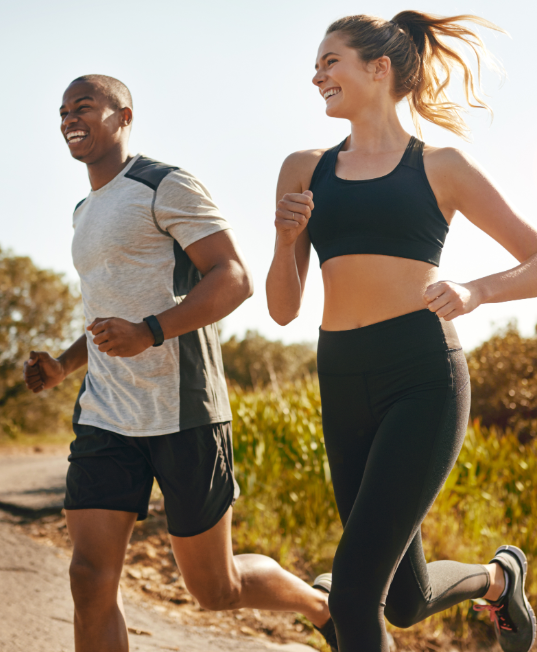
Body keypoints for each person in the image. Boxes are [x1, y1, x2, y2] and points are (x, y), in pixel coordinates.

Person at [266, 11, 537, 652]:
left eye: (331, 61)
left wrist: (476, 290)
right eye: (317, 64)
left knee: (350, 592)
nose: (317, 74)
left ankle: (491, 580)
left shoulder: (441, 167)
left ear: (378, 69)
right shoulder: (304, 168)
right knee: (403, 600)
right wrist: (284, 237)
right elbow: (282, 309)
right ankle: (499, 578)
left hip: (422, 375)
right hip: (342, 374)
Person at [23, 74, 330, 652]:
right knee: (89, 579)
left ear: (124, 115)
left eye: (83, 106)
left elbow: (233, 278)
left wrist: (151, 332)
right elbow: (108, 313)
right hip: (107, 416)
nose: (69, 117)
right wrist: (65, 366)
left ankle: (321, 606)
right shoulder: (82, 211)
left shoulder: (164, 184)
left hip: (184, 411)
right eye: (62, 111)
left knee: (215, 589)